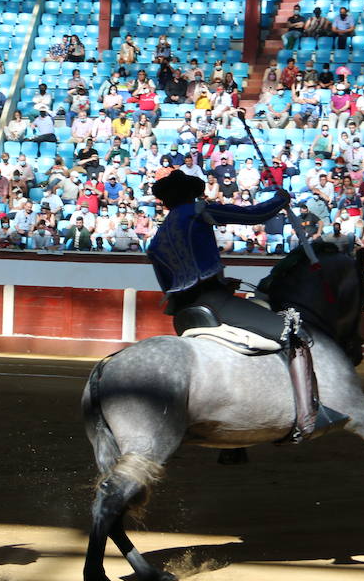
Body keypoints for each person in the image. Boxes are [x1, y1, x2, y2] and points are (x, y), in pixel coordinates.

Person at [146, 170, 345, 442]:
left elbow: (171, 286)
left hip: (183, 314)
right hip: (215, 303)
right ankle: (309, 416)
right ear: (189, 194)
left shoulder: (157, 240)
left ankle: (237, 447)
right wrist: (280, 200)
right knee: (294, 331)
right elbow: (253, 216)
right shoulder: (197, 211)